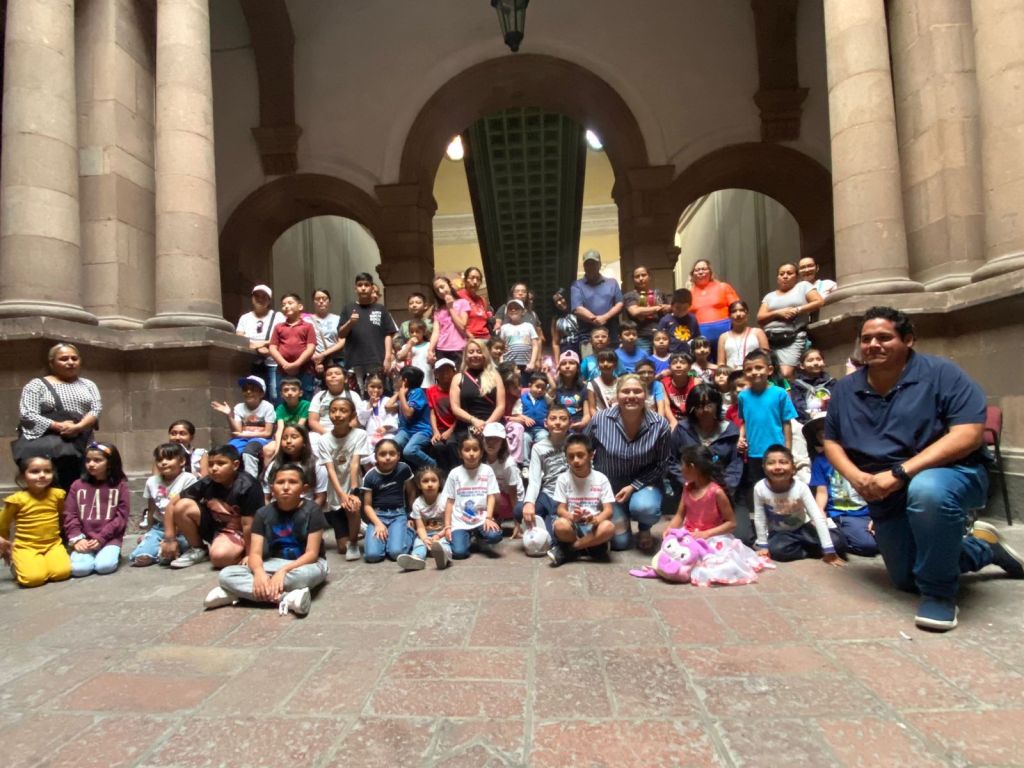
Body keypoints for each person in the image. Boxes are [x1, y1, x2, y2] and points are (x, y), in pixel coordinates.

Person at [824, 306, 1024, 631]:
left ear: (909, 340)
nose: (873, 344)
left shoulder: (943, 374)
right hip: (885, 491)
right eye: (866, 338)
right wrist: (857, 477)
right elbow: (832, 441)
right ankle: (983, 548)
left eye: (884, 337)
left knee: (927, 490)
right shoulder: (846, 389)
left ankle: (940, 594)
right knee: (905, 578)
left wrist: (902, 472)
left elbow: (969, 434)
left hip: (951, 475)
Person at [204, 464, 329, 617]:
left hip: (305, 565)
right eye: (280, 482)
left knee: (305, 576)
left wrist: (283, 571)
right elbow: (255, 554)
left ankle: (239, 594)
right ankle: (286, 598)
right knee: (226, 574)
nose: (286, 487)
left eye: (293, 482)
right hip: (272, 562)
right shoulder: (262, 514)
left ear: (304, 488)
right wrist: (259, 573)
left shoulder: (313, 510)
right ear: (272, 487)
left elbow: (312, 553)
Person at [586, 374, 671, 552]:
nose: (631, 395)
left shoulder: (660, 425)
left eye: (637, 391)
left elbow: (662, 464)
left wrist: (633, 486)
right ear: (617, 396)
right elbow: (584, 450)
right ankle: (620, 515)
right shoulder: (600, 420)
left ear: (646, 395)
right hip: (609, 489)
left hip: (643, 485)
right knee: (620, 544)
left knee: (645, 508)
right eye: (625, 391)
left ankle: (645, 528)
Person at [161, 444, 265, 569]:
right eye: (210, 464)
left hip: (242, 532)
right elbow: (172, 504)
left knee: (219, 558)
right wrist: (170, 539)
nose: (214, 468)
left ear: (235, 465)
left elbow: (249, 525)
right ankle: (198, 549)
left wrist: (250, 554)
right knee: (182, 505)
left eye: (221, 464)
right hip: (217, 528)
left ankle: (240, 551)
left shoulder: (248, 486)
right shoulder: (208, 481)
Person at [16, 343, 102, 490]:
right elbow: (27, 413)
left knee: (81, 486)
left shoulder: (88, 384)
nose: (70, 362)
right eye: (64, 359)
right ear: (52, 363)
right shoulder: (37, 385)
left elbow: (96, 408)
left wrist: (78, 427)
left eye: (74, 358)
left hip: (82, 443)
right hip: (49, 446)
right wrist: (57, 425)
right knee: (51, 487)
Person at [753, 444, 845, 564]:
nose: (777, 467)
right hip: (781, 532)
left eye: (783, 462)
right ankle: (809, 552)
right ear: (764, 468)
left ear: (793, 468)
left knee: (838, 543)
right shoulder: (759, 488)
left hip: (804, 528)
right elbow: (759, 517)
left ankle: (813, 548)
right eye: (771, 463)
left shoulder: (801, 487)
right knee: (776, 550)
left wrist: (828, 548)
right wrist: (763, 545)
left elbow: (816, 516)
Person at [804, 416, 877, 557]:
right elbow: (822, 491)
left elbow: (873, 486)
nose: (826, 436)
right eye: (821, 435)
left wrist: (877, 517)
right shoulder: (820, 460)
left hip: (862, 512)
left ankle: (842, 539)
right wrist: (819, 513)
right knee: (862, 545)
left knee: (875, 543)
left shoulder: (861, 455)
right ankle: (839, 539)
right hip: (838, 514)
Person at [0, 456, 72, 587]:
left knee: (62, 573)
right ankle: (17, 566)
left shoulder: (57, 495)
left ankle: (42, 562)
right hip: (26, 546)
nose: (42, 475)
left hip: (53, 544)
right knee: (34, 579)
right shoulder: (16, 500)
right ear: (23, 476)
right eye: (35, 471)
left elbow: (62, 516)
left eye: (47, 471)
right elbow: (3, 524)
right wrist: (3, 544)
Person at [546, 433, 616, 566]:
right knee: (560, 525)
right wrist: (571, 517)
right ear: (566, 458)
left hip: (593, 526)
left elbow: (608, 510)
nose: (576, 460)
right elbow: (561, 509)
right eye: (571, 457)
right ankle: (589, 546)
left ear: (591, 455)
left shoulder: (601, 479)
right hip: (574, 526)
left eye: (580, 455)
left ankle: (571, 549)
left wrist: (596, 520)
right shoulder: (563, 479)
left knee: (608, 527)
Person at [64, 442, 130, 577]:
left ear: (110, 463)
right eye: (88, 460)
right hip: (84, 539)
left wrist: (102, 537)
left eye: (97, 460)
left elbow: (121, 517)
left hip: (109, 538)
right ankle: (84, 556)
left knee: (104, 567)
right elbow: (70, 514)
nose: (91, 464)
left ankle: (111, 554)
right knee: (79, 570)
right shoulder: (77, 485)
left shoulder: (120, 486)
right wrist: (77, 539)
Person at [668, 384, 743, 499]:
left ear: (717, 405)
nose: (704, 410)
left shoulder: (730, 431)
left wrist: (722, 488)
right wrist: (688, 483)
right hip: (689, 491)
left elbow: (735, 465)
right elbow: (672, 461)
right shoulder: (682, 429)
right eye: (698, 406)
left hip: (722, 492)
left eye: (708, 404)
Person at [317, 396, 370, 561]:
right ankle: (357, 527)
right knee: (341, 548)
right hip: (335, 491)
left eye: (343, 410)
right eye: (333, 411)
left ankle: (354, 541)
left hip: (353, 485)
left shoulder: (359, 434)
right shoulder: (324, 440)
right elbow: (330, 470)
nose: (337, 415)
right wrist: (341, 494)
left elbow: (355, 465)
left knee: (352, 507)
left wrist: (353, 492)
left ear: (352, 414)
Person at [737, 349, 797, 486]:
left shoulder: (780, 394)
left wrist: (787, 450)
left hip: (777, 450)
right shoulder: (743, 397)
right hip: (754, 452)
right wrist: (741, 437)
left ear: (769, 370)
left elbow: (786, 423)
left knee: (780, 484)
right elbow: (744, 421)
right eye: (749, 369)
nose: (754, 372)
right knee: (759, 486)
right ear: (744, 373)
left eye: (759, 367)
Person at [131, 443, 197, 566]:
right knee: (141, 558)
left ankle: (163, 550)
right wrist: (148, 532)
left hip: (182, 529)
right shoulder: (152, 481)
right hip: (159, 527)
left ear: (182, 461)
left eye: (169, 458)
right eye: (160, 460)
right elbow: (151, 508)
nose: (164, 463)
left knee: (170, 556)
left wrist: (169, 538)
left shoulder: (189, 479)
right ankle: (155, 546)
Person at [441, 433, 503, 559]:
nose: (471, 453)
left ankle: (479, 537)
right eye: (467, 450)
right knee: (459, 553)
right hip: (460, 521)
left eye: (475, 449)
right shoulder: (455, 474)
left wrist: (489, 518)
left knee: (495, 535)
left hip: (481, 519)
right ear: (460, 453)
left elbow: (491, 496)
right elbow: (450, 501)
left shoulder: (487, 470)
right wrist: (447, 526)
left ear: (481, 453)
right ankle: (460, 540)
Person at [757, 263, 824, 378]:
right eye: (781, 274)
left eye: (789, 273)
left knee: (785, 373)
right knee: (770, 373)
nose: (785, 276)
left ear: (797, 276)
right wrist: (778, 313)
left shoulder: (803, 286)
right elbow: (760, 318)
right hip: (770, 339)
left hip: (793, 337)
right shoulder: (769, 296)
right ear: (777, 278)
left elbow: (819, 301)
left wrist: (797, 310)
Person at [337, 272, 398, 389]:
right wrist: (350, 323)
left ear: (372, 287)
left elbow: (388, 335)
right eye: (360, 285)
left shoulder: (381, 309)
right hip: (354, 362)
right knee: (356, 397)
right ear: (355, 288)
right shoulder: (348, 308)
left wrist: (388, 357)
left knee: (377, 394)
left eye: (366, 285)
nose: (363, 288)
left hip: (376, 360)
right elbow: (341, 334)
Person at [360, 439, 415, 563]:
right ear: (376, 457)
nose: (388, 457)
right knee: (372, 556)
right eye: (383, 454)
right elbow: (367, 506)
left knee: (396, 553)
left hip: (398, 514)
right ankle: (390, 538)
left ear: (398, 456)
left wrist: (411, 516)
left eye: (392, 453)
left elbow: (411, 492)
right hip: (378, 515)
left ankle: (410, 533)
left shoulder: (403, 469)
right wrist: (378, 524)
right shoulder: (370, 476)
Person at [665, 445, 737, 539]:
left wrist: (706, 534)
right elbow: (680, 515)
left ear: (692, 467)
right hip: (690, 535)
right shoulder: (687, 487)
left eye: (682, 464)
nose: (680, 469)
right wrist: (670, 529)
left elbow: (731, 523)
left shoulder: (716, 492)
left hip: (712, 537)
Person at [521, 405, 571, 536]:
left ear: (570, 423)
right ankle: (548, 518)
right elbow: (535, 480)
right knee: (520, 510)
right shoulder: (538, 447)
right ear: (545, 423)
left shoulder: (575, 443)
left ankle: (552, 521)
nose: (558, 422)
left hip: (570, 495)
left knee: (554, 534)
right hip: (548, 493)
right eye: (553, 418)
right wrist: (529, 503)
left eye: (563, 419)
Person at [212, 375, 276, 479]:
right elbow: (237, 431)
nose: (248, 392)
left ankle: (250, 481)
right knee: (227, 451)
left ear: (261, 393)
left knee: (249, 450)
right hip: (242, 439)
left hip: (261, 439)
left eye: (253, 389)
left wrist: (246, 434)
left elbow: (268, 433)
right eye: (245, 389)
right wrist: (229, 415)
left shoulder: (267, 407)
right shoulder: (239, 407)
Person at [235, 285, 284, 404]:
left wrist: (263, 345)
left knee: (274, 394)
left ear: (269, 300)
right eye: (257, 296)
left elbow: (282, 337)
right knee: (252, 393)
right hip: (250, 362)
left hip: (272, 362)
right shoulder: (245, 318)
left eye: (264, 297)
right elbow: (239, 338)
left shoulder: (278, 316)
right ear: (252, 298)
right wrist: (257, 346)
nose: (260, 299)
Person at [450, 338, 505, 438]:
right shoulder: (458, 378)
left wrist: (486, 425)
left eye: (479, 352)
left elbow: (500, 406)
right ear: (466, 356)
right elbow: (455, 408)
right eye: (471, 352)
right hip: (467, 423)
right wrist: (474, 421)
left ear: (485, 355)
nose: (475, 355)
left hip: (492, 423)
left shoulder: (495, 376)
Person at [261, 424, 327, 508]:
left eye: (294, 437)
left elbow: (320, 497)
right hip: (277, 511)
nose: (288, 441)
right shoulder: (274, 465)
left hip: (305, 511)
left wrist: (309, 515)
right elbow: (266, 497)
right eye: (284, 438)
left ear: (304, 441)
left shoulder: (316, 465)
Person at [571, 249, 624, 352]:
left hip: (611, 335)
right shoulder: (577, 285)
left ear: (599, 264)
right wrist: (595, 319)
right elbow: (577, 309)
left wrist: (605, 317)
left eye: (594, 263)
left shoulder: (612, 283)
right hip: (587, 336)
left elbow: (620, 304)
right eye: (588, 264)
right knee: (590, 366)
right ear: (584, 266)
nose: (590, 267)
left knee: (611, 365)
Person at [400, 466, 452, 570]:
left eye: (433, 481)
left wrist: (439, 535)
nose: (429, 484)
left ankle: (444, 557)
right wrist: (424, 539)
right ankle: (416, 559)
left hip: (441, 533)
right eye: (425, 481)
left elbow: (449, 523)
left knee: (444, 544)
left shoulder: (445, 500)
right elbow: (419, 527)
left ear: (439, 483)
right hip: (425, 533)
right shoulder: (417, 504)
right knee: (418, 544)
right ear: (419, 485)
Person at [687, 259, 740, 358]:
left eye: (704, 269)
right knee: (704, 369)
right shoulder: (688, 293)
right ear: (692, 274)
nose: (701, 272)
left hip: (725, 332)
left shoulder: (723, 287)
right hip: (700, 337)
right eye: (697, 270)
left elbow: (737, 308)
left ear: (710, 272)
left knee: (726, 366)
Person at [269, 293, 317, 401]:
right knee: (282, 399)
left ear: (300, 307)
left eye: (290, 303)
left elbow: (311, 347)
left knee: (305, 399)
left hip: (304, 370)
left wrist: (297, 364)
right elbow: (272, 347)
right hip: (282, 370)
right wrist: (284, 364)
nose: (286, 306)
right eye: (283, 304)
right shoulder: (278, 327)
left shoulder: (308, 327)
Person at [482, 421, 524, 527]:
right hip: (496, 497)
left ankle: (498, 516)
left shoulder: (508, 464)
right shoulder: (481, 460)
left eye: (496, 439)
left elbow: (513, 493)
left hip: (513, 499)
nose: (491, 443)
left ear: (502, 443)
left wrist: (517, 523)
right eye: (488, 439)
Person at [393, 366, 434, 469]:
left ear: (404, 381)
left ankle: (433, 465)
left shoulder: (417, 392)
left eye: (399, 377)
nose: (396, 379)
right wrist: (399, 394)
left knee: (409, 451)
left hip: (421, 430)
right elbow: (388, 406)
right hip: (406, 430)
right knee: (392, 446)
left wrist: (401, 395)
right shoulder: (405, 393)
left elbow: (408, 413)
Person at [263, 378, 311, 467]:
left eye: (293, 389)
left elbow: (299, 426)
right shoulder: (280, 408)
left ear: (300, 393)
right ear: (281, 394)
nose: (289, 392)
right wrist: (278, 450)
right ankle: (269, 476)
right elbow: (280, 429)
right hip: (284, 438)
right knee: (268, 449)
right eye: (286, 390)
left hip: (300, 436)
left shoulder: (306, 405)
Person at [307, 362, 363, 439]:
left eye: (337, 374)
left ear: (345, 379)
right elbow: (313, 421)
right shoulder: (319, 396)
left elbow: (358, 418)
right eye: (329, 374)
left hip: (347, 431)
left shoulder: (353, 395)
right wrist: (327, 435)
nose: (333, 376)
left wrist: (342, 432)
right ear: (325, 380)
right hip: (322, 433)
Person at [622, 265, 670, 352]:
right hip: (641, 337)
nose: (641, 278)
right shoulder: (630, 296)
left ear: (649, 276)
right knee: (644, 364)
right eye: (637, 276)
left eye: (643, 275)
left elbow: (668, 311)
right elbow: (635, 311)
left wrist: (669, 307)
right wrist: (658, 307)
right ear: (633, 279)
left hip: (661, 337)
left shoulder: (659, 294)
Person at [428, 275, 470, 365]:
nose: (440, 291)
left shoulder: (463, 303)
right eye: (437, 290)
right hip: (441, 349)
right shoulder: (438, 310)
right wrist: (430, 350)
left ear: (449, 285)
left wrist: (450, 307)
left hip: (459, 348)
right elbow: (436, 332)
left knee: (460, 377)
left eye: (442, 287)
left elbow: (463, 326)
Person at [717, 300, 769, 370]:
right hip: (732, 377)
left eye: (741, 310)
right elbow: (721, 364)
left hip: (754, 375)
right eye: (734, 311)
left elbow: (766, 358)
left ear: (747, 314)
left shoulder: (758, 333)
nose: (738, 314)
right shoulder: (723, 337)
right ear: (729, 316)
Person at [510, 373, 550, 466]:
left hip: (541, 428)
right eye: (537, 386)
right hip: (526, 429)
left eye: (543, 388)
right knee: (524, 438)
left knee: (544, 437)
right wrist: (525, 418)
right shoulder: (521, 398)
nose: (540, 390)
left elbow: (554, 388)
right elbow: (516, 413)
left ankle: (542, 464)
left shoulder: (546, 398)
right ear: (530, 385)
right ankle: (525, 465)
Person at [426, 359, 458, 470]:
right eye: (441, 371)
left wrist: (450, 431)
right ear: (436, 374)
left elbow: (460, 413)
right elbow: (432, 412)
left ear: (454, 373)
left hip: (455, 428)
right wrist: (435, 431)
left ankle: (455, 473)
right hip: (440, 429)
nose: (445, 374)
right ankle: (443, 475)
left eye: (448, 371)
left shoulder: (458, 389)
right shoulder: (431, 391)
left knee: (452, 444)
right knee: (437, 446)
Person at [499, 299, 541, 383]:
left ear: (523, 311)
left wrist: (533, 362)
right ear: (507, 312)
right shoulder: (504, 327)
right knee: (511, 386)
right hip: (509, 365)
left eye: (517, 308)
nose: (513, 310)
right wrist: (501, 361)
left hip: (526, 365)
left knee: (526, 387)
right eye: (510, 308)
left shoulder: (528, 326)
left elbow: (535, 345)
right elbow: (500, 346)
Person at [790, 348, 836, 422]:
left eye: (818, 359)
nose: (815, 363)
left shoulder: (831, 382)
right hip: (809, 423)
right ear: (802, 365)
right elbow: (799, 407)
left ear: (824, 362)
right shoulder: (797, 385)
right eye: (810, 360)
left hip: (831, 420)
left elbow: (838, 402)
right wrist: (811, 417)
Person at [553, 351, 591, 432]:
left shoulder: (584, 388)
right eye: (563, 364)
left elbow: (587, 414)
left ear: (578, 368)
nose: (567, 366)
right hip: (560, 423)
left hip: (579, 423)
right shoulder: (554, 387)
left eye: (571, 363)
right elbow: (551, 411)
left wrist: (583, 423)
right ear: (559, 368)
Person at [657, 289, 701, 356]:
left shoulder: (692, 319)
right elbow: (657, 341)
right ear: (671, 306)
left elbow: (697, 338)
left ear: (690, 306)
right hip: (671, 356)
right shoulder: (665, 320)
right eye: (677, 308)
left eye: (685, 308)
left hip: (689, 356)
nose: (681, 311)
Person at [309, 288, 342, 375]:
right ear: (313, 302)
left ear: (329, 301)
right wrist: (315, 359)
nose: (321, 301)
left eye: (324, 298)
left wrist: (323, 354)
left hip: (335, 360)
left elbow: (342, 341)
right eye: (317, 299)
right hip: (314, 362)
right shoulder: (307, 320)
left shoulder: (338, 319)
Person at [660, 352, 697, 429]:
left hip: (692, 420)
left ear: (690, 367)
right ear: (669, 367)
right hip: (672, 419)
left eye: (683, 363)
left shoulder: (696, 382)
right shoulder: (664, 383)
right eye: (674, 363)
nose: (678, 366)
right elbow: (666, 405)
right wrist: (673, 422)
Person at [457, 267, 493, 340]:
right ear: (465, 280)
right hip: (469, 339)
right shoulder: (458, 296)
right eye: (472, 278)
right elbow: (455, 320)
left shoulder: (482, 300)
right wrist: (470, 336)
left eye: (478, 279)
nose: (475, 282)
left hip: (486, 338)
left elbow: (486, 321)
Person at [396, 318, 433, 386]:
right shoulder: (406, 346)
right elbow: (400, 357)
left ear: (423, 332)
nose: (414, 334)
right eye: (412, 332)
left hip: (427, 382)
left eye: (417, 332)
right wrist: (409, 346)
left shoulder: (429, 346)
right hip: (412, 383)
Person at [550, 288, 581, 361]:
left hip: (582, 348)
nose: (559, 303)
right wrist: (557, 362)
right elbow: (555, 343)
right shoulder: (556, 319)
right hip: (567, 351)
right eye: (556, 302)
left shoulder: (579, 312)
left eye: (561, 299)